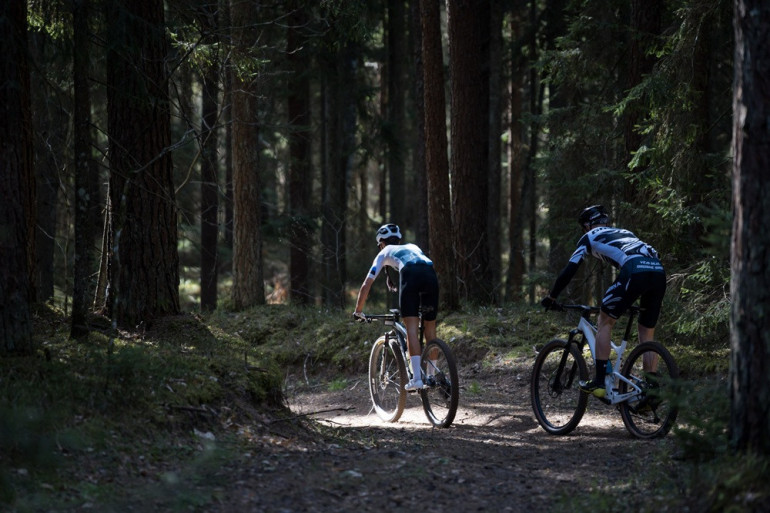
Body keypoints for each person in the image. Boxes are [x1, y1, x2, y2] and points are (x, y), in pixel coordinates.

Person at [541, 205, 666, 398]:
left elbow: (570, 269)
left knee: (605, 320)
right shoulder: (625, 232)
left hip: (635, 269)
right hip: (658, 270)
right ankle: (651, 388)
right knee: (646, 333)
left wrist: (552, 296)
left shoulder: (589, 237)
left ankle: (599, 381)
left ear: (587, 226)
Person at [353, 223, 439, 391]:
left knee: (411, 328)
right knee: (430, 329)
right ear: (398, 240)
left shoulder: (383, 252)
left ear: (381, 243)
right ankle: (432, 376)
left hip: (410, 274)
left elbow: (366, 284)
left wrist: (358, 311)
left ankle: (417, 379)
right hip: (430, 274)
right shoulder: (412, 246)